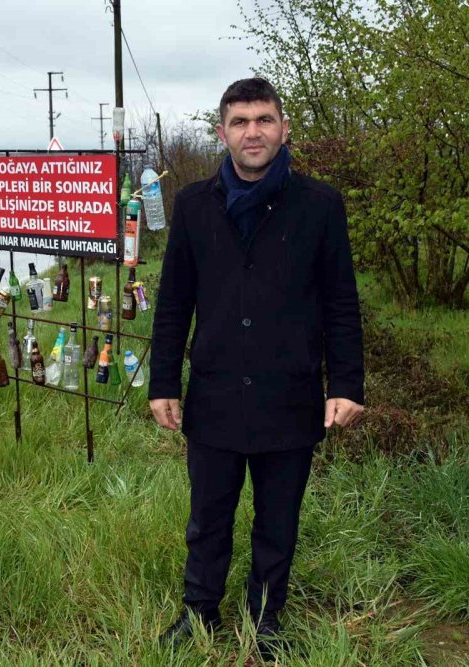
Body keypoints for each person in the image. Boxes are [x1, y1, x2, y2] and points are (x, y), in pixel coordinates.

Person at [149, 77, 364, 658]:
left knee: (277, 522)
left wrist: (345, 383)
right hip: (215, 395)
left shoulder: (319, 205)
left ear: (284, 129)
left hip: (289, 394)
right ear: (222, 133)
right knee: (208, 518)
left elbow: (341, 301)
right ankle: (199, 613)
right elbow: (173, 303)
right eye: (240, 122)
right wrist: (164, 382)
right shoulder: (194, 205)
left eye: (263, 120)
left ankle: (266, 619)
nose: (252, 132)